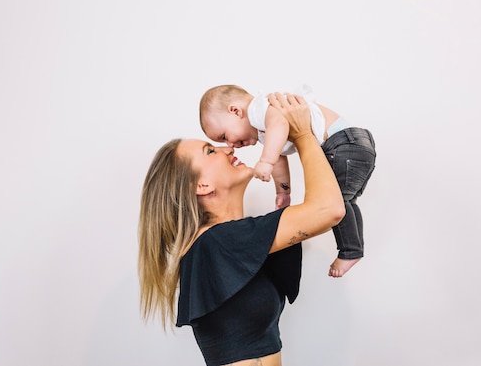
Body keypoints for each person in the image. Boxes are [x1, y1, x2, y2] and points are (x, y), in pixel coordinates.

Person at [138, 93, 345, 366]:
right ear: (202, 186)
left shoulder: (229, 241)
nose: (228, 148)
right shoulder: (219, 243)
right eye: (211, 151)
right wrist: (303, 133)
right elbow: (329, 209)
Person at [199, 84, 376, 278]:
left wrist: (265, 160)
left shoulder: (257, 109)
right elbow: (280, 158)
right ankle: (353, 249)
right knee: (347, 201)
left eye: (224, 136)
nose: (230, 145)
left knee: (337, 199)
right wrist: (283, 191)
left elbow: (280, 126)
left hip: (342, 144)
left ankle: (350, 251)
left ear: (235, 111)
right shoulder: (263, 128)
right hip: (357, 143)